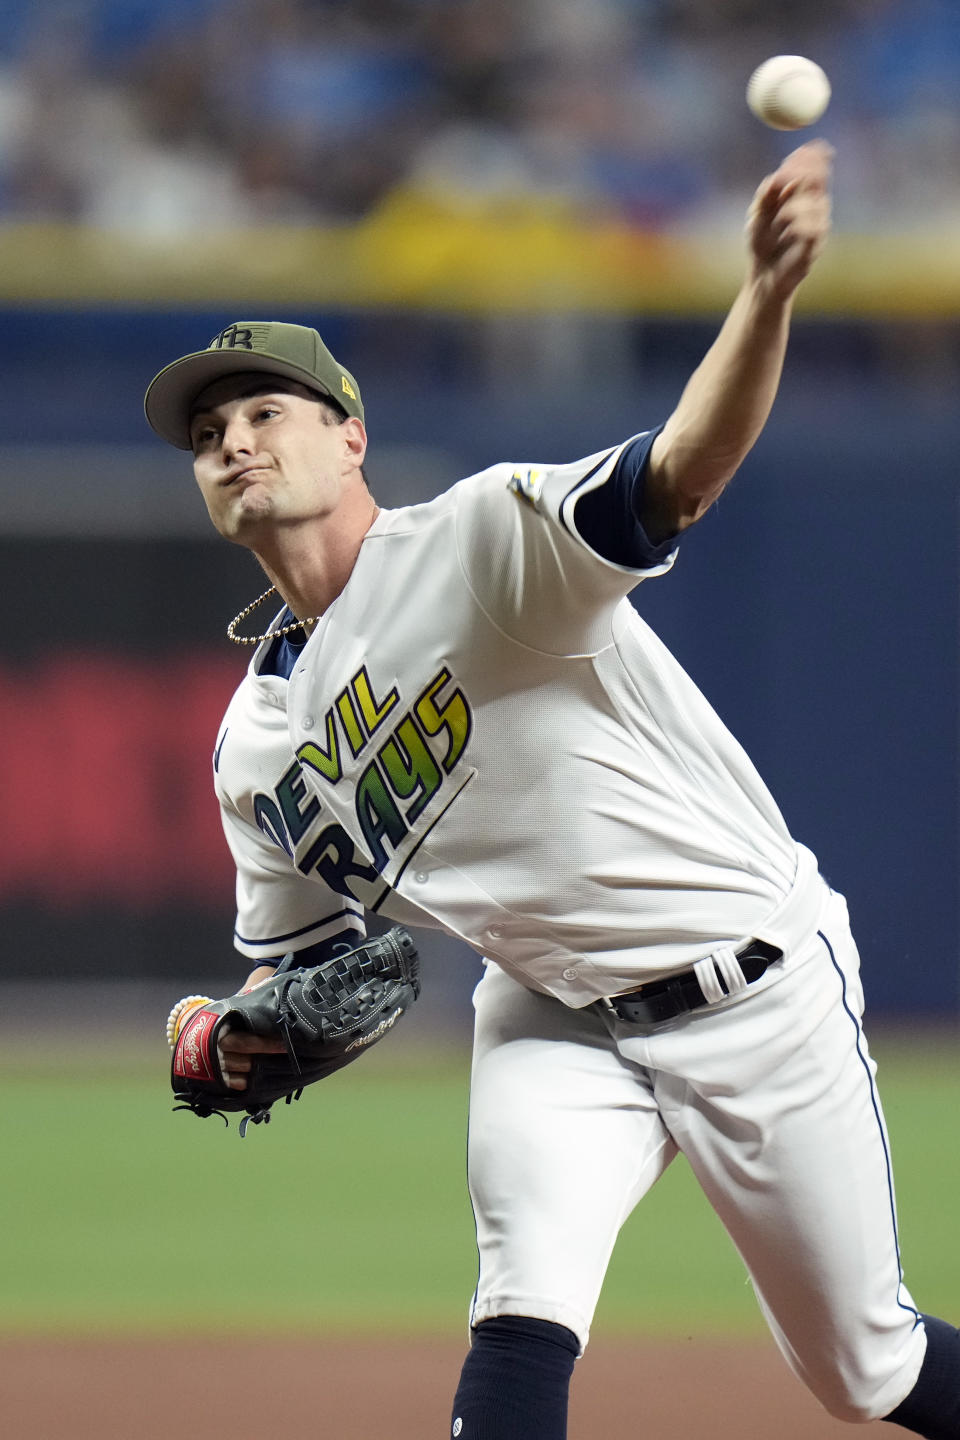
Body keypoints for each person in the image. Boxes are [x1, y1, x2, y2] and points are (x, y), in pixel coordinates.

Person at [144, 140, 958, 1439]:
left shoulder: (480, 542)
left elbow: (683, 470)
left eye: (265, 414)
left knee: (869, 1373)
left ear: (349, 437)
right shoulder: (257, 748)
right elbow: (303, 964)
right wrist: (235, 1033)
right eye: (208, 433)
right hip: (554, 1015)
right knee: (522, 1312)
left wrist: (764, 295)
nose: (234, 442)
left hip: (752, 982)